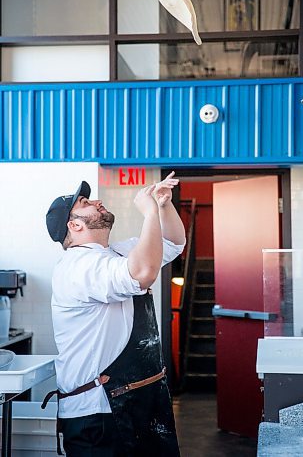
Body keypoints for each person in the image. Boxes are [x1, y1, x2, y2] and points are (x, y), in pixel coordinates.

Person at [43, 172, 186, 457]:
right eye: (84, 202)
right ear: (75, 224)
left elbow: (172, 242)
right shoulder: (79, 267)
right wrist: (147, 215)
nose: (96, 201)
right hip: (100, 415)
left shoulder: (113, 254)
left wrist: (161, 206)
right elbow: (143, 273)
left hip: (138, 401)